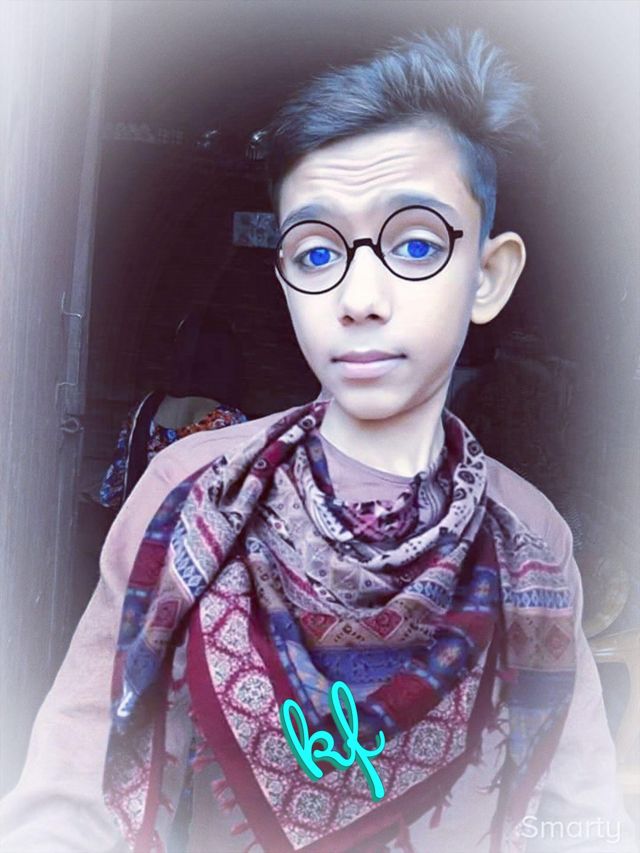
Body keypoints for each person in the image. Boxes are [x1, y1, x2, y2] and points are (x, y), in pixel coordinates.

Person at [1, 27, 636, 853]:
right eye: (315, 252)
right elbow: (67, 792)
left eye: (414, 244)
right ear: (286, 284)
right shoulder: (189, 494)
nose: (358, 297)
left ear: (488, 276)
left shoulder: (530, 539)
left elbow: (578, 811)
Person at [98, 312, 248, 510]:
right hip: (193, 528)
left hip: (144, 525)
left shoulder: (144, 410)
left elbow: (112, 491)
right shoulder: (231, 423)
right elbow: (238, 500)